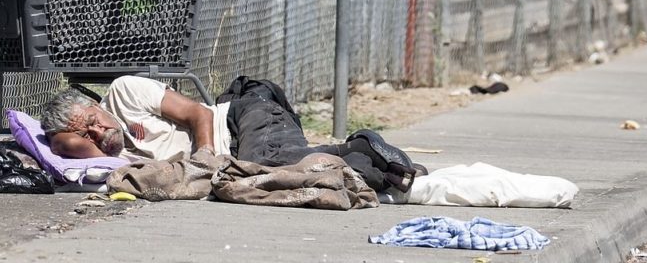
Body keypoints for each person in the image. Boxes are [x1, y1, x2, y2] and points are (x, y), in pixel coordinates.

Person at [40, 75, 425, 192]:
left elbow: (197, 113)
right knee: (282, 174)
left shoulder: (124, 91)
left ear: (96, 103)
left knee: (269, 165)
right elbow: (63, 145)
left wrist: (205, 155)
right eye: (87, 132)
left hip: (239, 119)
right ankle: (370, 158)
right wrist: (82, 137)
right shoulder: (108, 155)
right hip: (242, 151)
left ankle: (369, 159)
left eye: (93, 117)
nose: (98, 129)